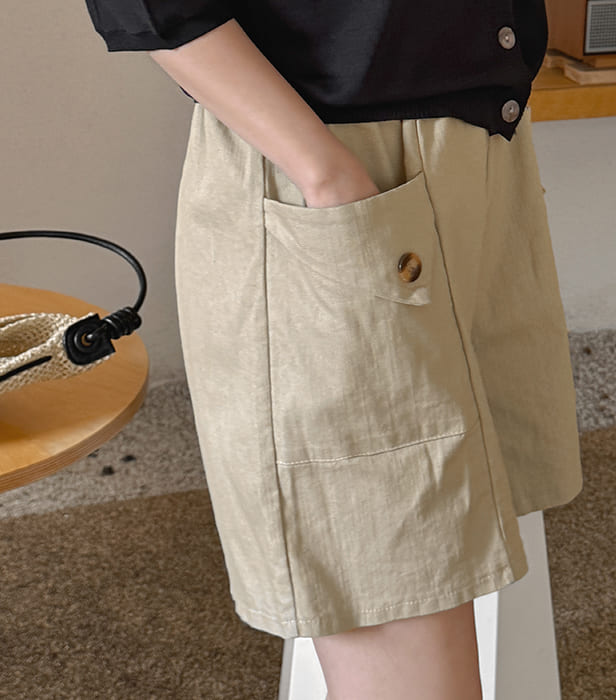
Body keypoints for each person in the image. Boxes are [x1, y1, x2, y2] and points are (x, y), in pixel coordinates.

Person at [83, 3, 584, 698]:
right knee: (395, 577)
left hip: (478, 148)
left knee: (462, 528)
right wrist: (325, 173)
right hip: (339, 169)